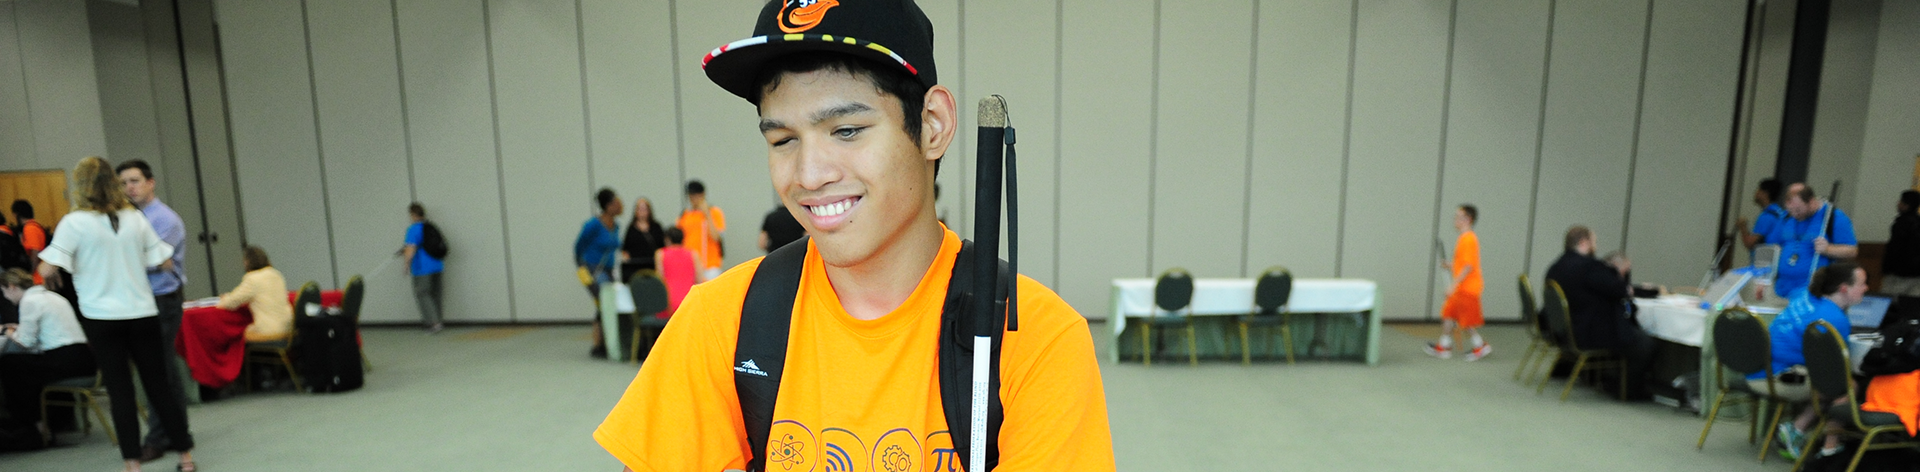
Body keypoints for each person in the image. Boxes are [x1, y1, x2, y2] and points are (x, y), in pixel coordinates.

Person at [595, 2, 1116, 469]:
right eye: (782, 139)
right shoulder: (720, 323)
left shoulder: (1037, 342)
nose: (808, 174)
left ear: (932, 125)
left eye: (846, 131)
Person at [36, 156, 196, 472]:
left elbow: (48, 267)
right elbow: (163, 261)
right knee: (158, 385)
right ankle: (186, 458)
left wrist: (58, 268)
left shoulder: (74, 222)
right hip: (142, 312)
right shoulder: (134, 218)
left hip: (101, 317)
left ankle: (132, 464)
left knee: (120, 391)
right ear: (113, 183)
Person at [114, 159, 193, 459]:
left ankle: (160, 438)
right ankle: (176, 432)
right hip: (143, 300)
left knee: (157, 371)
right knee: (163, 370)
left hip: (162, 298)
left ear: (151, 182)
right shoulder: (129, 217)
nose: (129, 188)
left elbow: (150, 260)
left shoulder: (163, 219)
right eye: (123, 183)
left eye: (134, 181)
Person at [1759, 261, 1867, 460]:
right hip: (1780, 376)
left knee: (1833, 382)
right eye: (1861, 284)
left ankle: (1797, 430)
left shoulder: (1805, 296)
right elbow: (1837, 367)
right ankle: (1828, 447)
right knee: (1846, 386)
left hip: (1763, 368)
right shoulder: (1835, 319)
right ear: (1844, 288)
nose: (1866, 288)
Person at [1546, 225, 1655, 398]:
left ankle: (1603, 378)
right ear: (1584, 243)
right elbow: (1618, 289)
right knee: (1643, 343)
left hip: (1563, 331)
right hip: (1587, 332)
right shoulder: (1589, 267)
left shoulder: (1555, 267)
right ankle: (1628, 390)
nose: (1595, 247)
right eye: (1594, 242)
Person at [0, 268, 95, 447]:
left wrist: (6, 330)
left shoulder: (29, 301)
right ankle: (49, 423)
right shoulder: (53, 297)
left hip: (66, 361)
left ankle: (36, 427)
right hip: (84, 359)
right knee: (23, 368)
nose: (5, 297)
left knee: (10, 365)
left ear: (11, 286)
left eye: (4, 291)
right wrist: (17, 329)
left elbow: (26, 342)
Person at [1763, 183, 1858, 297]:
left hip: (1812, 290)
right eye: (1791, 210)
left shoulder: (1833, 217)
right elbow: (1771, 248)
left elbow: (1852, 251)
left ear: (1811, 202)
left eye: (1798, 210)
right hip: (1782, 288)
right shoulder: (1786, 217)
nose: (1794, 215)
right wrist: (1763, 280)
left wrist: (1828, 249)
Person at [1426, 204, 1490, 361]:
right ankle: (1444, 345)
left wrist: (1453, 285)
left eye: (1458, 217)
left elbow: (1468, 267)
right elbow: (1464, 263)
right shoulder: (1464, 238)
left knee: (1466, 320)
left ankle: (1480, 345)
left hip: (1467, 287)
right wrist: (1450, 265)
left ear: (1467, 219)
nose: (1455, 220)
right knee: (1448, 313)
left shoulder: (1468, 239)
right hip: (1462, 286)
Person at [575, 188, 623, 359]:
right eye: (616, 202)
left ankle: (602, 343)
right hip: (592, 269)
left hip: (609, 271)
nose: (620, 205)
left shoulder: (616, 225)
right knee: (603, 302)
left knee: (605, 304)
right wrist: (581, 266)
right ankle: (599, 344)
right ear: (608, 205)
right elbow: (579, 245)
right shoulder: (594, 224)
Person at [216, 246, 291, 342]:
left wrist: (225, 298)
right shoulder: (277, 274)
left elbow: (230, 303)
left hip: (270, 331)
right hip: (288, 328)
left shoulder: (252, 279)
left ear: (247, 262)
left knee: (241, 335)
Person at [401, 203, 446, 334]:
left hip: (422, 268)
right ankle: (438, 320)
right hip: (437, 265)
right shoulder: (431, 226)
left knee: (423, 293)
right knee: (436, 294)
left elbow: (410, 249)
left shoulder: (413, 229)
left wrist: (406, 265)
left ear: (413, 215)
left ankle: (433, 323)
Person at [676, 180, 727, 281]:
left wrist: (706, 214)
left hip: (710, 265)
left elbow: (716, 237)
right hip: (690, 265)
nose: (693, 198)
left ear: (702, 194)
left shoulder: (714, 212)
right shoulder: (684, 215)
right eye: (690, 195)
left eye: (696, 194)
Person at [1881, 190, 1920, 297]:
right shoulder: (1918, 222)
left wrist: (1887, 268)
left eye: (1901, 201)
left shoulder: (1901, 224)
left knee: (1890, 303)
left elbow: (1895, 248)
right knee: (1911, 306)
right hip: (1916, 274)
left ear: (1906, 205)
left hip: (1897, 273)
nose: (1898, 203)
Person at [653, 227, 697, 319]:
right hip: (689, 301)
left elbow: (659, 279)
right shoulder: (693, 254)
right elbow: (700, 279)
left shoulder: (660, 254)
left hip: (668, 303)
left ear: (667, 240)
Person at [620, 197, 666, 282]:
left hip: (653, 265)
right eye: (639, 209)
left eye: (644, 209)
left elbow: (662, 246)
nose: (642, 211)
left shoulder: (656, 227)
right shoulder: (631, 228)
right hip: (635, 267)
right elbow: (625, 248)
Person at [1738, 178, 1787, 251]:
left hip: (1765, 259)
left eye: (1758, 190)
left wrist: (1742, 226)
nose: (1755, 193)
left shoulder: (1767, 216)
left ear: (1765, 193)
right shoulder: (1780, 212)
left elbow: (1749, 243)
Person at [14, 199, 48, 285]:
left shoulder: (29, 229)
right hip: (41, 273)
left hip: (38, 276)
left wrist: (30, 274)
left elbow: (34, 251)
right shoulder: (36, 226)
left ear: (17, 214)